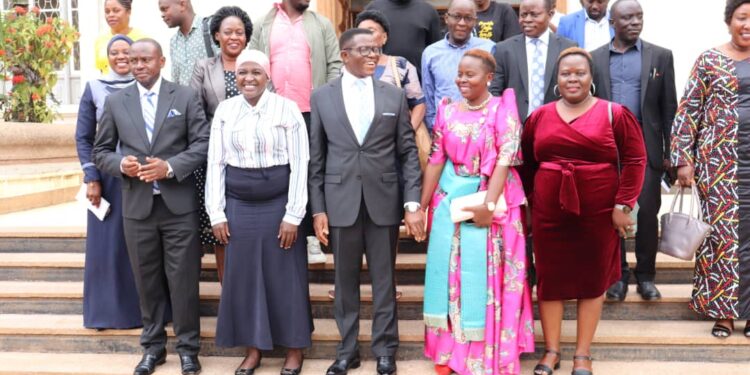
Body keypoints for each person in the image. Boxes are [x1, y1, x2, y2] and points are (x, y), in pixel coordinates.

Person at [521, 47, 645, 375]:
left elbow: (635, 159)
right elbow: (527, 166)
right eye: (566, 74)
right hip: (549, 211)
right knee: (549, 279)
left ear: (591, 78)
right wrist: (530, 207)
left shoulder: (613, 113)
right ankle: (551, 351)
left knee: (592, 279)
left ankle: (582, 354)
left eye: (580, 73)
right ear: (556, 80)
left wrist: (623, 204)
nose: (572, 78)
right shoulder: (539, 116)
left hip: (599, 211)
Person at [308, 29, 424, 375]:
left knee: (384, 280)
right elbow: (318, 157)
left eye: (376, 50)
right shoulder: (322, 97)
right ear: (344, 55)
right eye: (364, 50)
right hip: (339, 200)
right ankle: (347, 351)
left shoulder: (392, 95)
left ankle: (385, 350)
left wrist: (412, 203)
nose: (373, 56)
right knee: (343, 283)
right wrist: (318, 209)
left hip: (383, 201)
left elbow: (408, 153)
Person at [93, 38, 209, 375]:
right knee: (147, 280)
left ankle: (189, 349)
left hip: (178, 207)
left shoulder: (184, 96)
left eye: (145, 59)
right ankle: (153, 348)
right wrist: (120, 165)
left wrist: (170, 167)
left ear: (161, 61)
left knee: (183, 280)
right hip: (137, 207)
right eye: (133, 60)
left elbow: (203, 143)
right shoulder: (117, 101)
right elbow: (101, 151)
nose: (139, 65)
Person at [421, 49, 535, 375]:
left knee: (488, 276)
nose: (462, 79)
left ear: (488, 77)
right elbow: (435, 158)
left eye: (470, 74)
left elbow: (505, 157)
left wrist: (487, 205)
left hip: (496, 204)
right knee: (453, 273)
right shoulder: (446, 111)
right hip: (454, 203)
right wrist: (422, 206)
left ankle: (487, 355)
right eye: (459, 73)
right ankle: (452, 351)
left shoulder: (502, 109)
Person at [206, 49, 311, 375]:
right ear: (234, 77)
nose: (248, 78)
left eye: (256, 72)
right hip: (239, 205)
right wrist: (217, 213)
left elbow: (300, 163)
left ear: (268, 77)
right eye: (242, 73)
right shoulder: (225, 110)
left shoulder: (286, 109)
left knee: (287, 277)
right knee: (245, 277)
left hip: (278, 202)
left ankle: (294, 349)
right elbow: (215, 163)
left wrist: (294, 214)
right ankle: (253, 350)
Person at [671, 0, 750, 339]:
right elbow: (688, 112)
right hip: (720, 167)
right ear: (729, 20)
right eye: (742, 18)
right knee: (720, 239)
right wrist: (683, 160)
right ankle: (723, 314)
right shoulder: (709, 60)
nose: (748, 25)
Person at [592, 0, 677, 302]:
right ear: (612, 22)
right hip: (607, 149)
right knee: (610, 214)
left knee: (647, 214)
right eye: (627, 18)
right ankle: (617, 276)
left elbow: (670, 109)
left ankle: (647, 277)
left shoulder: (661, 56)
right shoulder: (594, 59)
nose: (634, 22)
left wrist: (672, 153)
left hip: (647, 149)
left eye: (639, 16)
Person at [250, 0, 342, 265]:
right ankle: (280, 232)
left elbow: (335, 65)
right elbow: (254, 62)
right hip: (273, 111)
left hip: (311, 111)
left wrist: (326, 101)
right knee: (281, 170)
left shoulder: (321, 24)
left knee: (312, 169)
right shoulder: (263, 24)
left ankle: (313, 238)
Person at [75, 34, 142, 330]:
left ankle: (141, 313)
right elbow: (84, 137)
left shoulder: (146, 84)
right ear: (108, 56)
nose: (121, 57)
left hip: (140, 175)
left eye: (127, 51)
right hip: (107, 177)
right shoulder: (94, 87)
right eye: (115, 52)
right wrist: (91, 177)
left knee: (138, 245)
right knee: (107, 247)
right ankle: (105, 313)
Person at [189, 5, 253, 284]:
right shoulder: (204, 67)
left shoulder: (257, 67)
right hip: (213, 155)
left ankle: (249, 286)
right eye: (228, 32)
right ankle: (228, 287)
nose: (234, 37)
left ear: (247, 37)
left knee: (247, 223)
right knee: (220, 225)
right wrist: (212, 143)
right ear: (217, 35)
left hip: (251, 155)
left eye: (239, 32)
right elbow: (195, 110)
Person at [490, 0, 577, 122]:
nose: (527, 19)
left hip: (557, 125)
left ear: (550, 14)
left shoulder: (567, 48)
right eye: (523, 15)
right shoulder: (504, 49)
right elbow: (495, 91)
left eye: (534, 15)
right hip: (515, 127)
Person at [422, 0, 495, 129]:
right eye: (456, 17)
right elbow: (428, 96)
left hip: (481, 128)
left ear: (475, 21)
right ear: (446, 18)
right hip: (444, 128)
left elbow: (496, 90)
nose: (462, 23)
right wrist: (434, 128)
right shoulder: (431, 53)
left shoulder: (489, 49)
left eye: (468, 18)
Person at [365, 0, 443, 77]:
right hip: (381, 81)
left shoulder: (428, 11)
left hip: (419, 82)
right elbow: (363, 46)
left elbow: (436, 52)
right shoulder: (373, 9)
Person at [158, 0, 219, 86]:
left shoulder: (210, 28)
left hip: (212, 98)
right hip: (186, 99)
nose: (162, 15)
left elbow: (227, 67)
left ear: (182, 5)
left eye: (165, 9)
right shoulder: (174, 41)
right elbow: (176, 80)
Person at [94, 0, 147, 74]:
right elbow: (102, 70)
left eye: (116, 11)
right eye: (107, 11)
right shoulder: (100, 40)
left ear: (128, 12)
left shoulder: (143, 39)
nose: (110, 15)